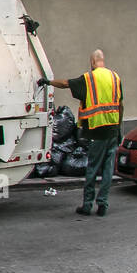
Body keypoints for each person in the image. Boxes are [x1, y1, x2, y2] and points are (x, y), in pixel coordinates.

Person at [39, 49, 123, 217]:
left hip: (97, 130)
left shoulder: (89, 78)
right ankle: (103, 204)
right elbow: (120, 105)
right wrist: (119, 129)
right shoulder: (115, 77)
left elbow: (65, 83)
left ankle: (87, 205)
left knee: (92, 167)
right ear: (102, 61)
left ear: (92, 62)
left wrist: (47, 82)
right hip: (113, 129)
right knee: (108, 169)